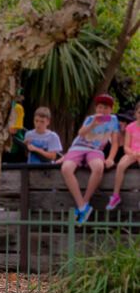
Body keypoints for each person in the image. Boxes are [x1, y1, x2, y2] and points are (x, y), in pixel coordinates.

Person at [60, 94, 120, 224]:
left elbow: (115, 142)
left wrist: (110, 158)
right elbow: (81, 133)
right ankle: (82, 206)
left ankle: (85, 202)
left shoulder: (114, 120)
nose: (102, 111)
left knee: (98, 167)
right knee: (66, 168)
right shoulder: (90, 118)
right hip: (78, 147)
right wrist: (93, 124)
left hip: (95, 150)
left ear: (111, 109)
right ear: (96, 108)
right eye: (99, 107)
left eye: (105, 108)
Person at [106, 101, 140, 210]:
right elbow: (126, 146)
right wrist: (132, 153)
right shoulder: (130, 127)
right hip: (132, 152)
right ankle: (116, 195)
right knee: (121, 165)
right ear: (135, 113)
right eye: (139, 112)